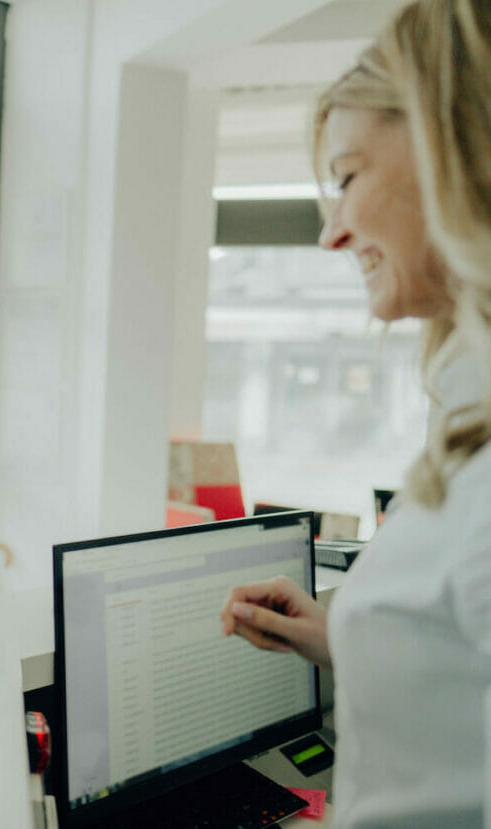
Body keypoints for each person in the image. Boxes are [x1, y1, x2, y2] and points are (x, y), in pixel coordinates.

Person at [219, 0, 491, 824]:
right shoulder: (467, 414)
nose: (332, 234)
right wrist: (345, 634)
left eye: (346, 178)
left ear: (457, 147)